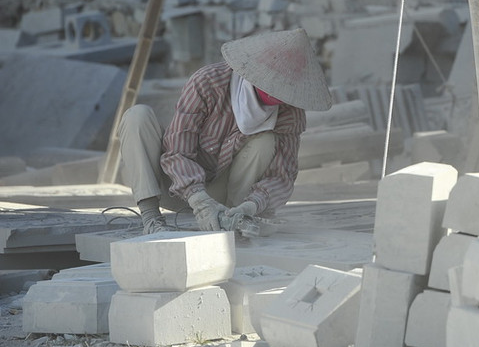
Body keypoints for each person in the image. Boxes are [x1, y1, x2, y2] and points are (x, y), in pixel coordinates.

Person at [117, 27, 332, 235]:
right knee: (137, 116)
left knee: (265, 141)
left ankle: (233, 220)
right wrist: (200, 201)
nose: (278, 89)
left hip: (228, 199)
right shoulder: (209, 83)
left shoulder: (290, 113)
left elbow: (282, 177)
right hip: (176, 186)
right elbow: (176, 151)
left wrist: (252, 205)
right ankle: (151, 218)